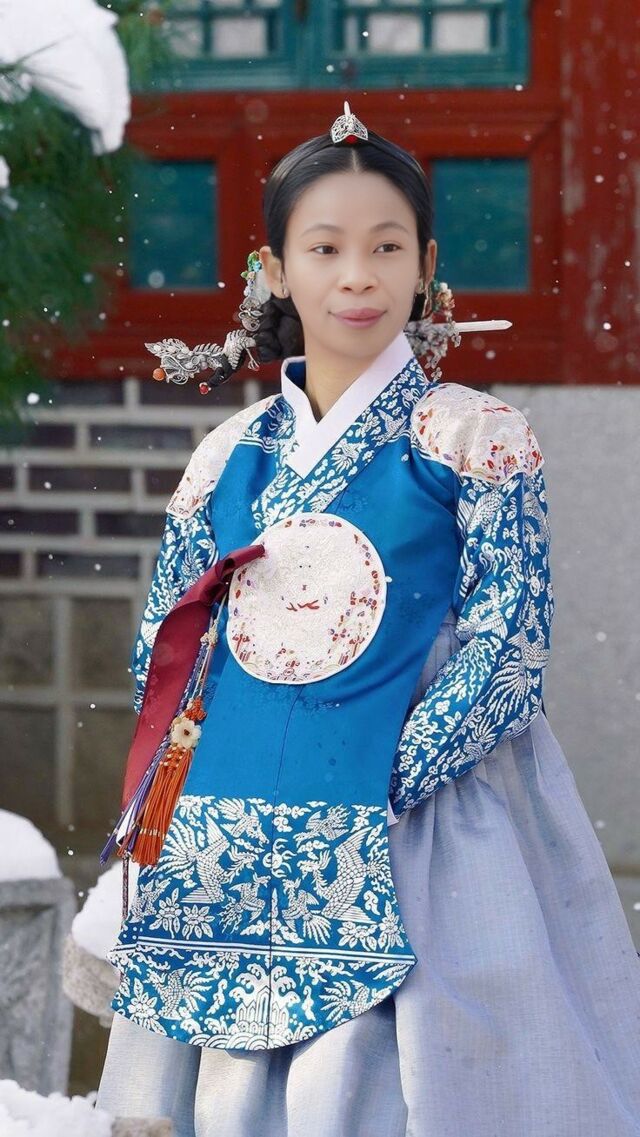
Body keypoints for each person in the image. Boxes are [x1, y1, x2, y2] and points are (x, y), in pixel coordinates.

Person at [96, 103, 640, 1137]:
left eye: (387, 247)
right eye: (325, 248)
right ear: (274, 269)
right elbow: (166, 644)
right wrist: (202, 781)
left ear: (426, 264)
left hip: (422, 810)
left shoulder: (476, 437)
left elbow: (510, 645)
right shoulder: (226, 456)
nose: (357, 277)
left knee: (414, 1082)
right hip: (232, 815)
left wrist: (382, 774)